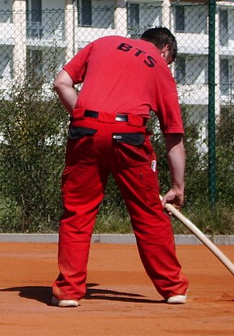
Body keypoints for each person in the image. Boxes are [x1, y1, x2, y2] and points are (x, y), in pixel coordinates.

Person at [51, 27, 189, 307]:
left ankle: (69, 292)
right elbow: (173, 135)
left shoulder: (104, 42)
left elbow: (61, 83)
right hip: (129, 135)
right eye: (169, 61)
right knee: (148, 212)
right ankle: (173, 289)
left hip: (85, 130)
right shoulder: (159, 67)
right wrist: (177, 186)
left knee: (78, 211)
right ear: (165, 50)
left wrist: (85, 117)